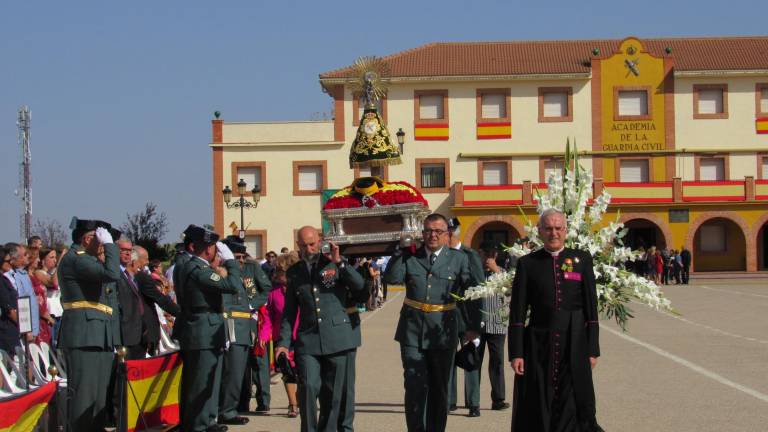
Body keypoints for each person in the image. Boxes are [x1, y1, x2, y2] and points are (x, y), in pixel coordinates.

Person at [383, 213, 480, 432]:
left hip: (443, 331)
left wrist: (473, 327)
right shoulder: (410, 257)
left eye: (438, 231)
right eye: (428, 231)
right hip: (412, 331)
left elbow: (473, 293)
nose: (432, 235)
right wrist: (399, 251)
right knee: (414, 385)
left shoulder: (460, 259)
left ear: (447, 234)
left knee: (439, 387)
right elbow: (392, 278)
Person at [509, 209, 602, 431]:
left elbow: (591, 307)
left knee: (574, 399)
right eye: (548, 228)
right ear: (540, 231)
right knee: (540, 398)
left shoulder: (582, 260)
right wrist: (516, 353)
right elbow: (518, 311)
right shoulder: (528, 264)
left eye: (558, 228)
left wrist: (592, 349)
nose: (554, 233)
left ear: (566, 230)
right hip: (539, 344)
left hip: (575, 341)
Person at [275, 226, 366, 432]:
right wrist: (282, 343)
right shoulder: (294, 272)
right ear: (297, 245)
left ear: (320, 241)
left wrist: (340, 263)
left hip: (338, 337)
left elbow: (360, 288)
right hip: (308, 340)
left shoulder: (334, 263)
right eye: (304, 245)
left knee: (334, 394)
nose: (309, 248)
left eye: (312, 243)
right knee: (307, 387)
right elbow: (289, 312)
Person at [58, 218, 122, 431]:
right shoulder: (78, 259)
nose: (104, 245)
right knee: (84, 396)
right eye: (101, 240)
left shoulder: (88, 259)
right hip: (84, 334)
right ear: (87, 239)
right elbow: (113, 274)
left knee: (98, 398)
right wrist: (111, 247)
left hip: (97, 333)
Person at [175, 226, 241, 432]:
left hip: (206, 328)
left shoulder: (194, 266)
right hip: (202, 329)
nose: (212, 250)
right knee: (201, 381)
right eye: (209, 246)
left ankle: (206, 420)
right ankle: (199, 424)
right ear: (195, 247)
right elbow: (232, 285)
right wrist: (231, 262)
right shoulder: (197, 269)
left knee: (208, 380)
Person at [218, 236, 270, 425]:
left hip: (246, 324)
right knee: (227, 371)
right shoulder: (221, 270)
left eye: (242, 257)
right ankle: (224, 409)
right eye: (237, 257)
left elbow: (265, 289)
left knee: (245, 369)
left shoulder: (251, 268)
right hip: (225, 324)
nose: (241, 261)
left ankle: (234, 407)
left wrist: (251, 305)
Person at [445, 218, 484, 418]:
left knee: (470, 358)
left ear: (456, 232)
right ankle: (450, 400)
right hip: (446, 317)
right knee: (448, 359)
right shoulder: (442, 255)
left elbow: (479, 289)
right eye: (446, 230)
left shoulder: (470, 255)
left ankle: (474, 403)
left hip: (467, 316)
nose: (448, 234)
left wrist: (476, 323)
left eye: (451, 230)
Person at [258, 251, 301, 417]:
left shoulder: (302, 289)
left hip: (303, 335)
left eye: (279, 272)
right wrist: (263, 334)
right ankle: (293, 404)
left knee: (305, 372)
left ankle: (300, 398)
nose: (276, 275)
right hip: (282, 339)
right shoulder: (273, 292)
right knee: (287, 371)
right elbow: (267, 317)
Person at [476, 241, 511, 412]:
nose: (487, 258)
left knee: (497, 363)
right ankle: (473, 400)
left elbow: (511, 291)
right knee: (474, 362)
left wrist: (496, 269)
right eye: (484, 254)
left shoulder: (503, 274)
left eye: (490, 255)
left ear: (496, 256)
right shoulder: (476, 274)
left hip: (497, 325)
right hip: (478, 325)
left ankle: (498, 399)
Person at [130, 246, 180, 357]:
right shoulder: (142, 277)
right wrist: (181, 313)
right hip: (145, 332)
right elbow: (161, 299)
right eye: (146, 259)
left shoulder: (133, 277)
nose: (148, 262)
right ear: (136, 259)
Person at [0, 246, 20, 360]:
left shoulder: (4, 279)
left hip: (12, 328)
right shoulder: (1, 281)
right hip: (6, 329)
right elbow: (8, 308)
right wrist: (24, 326)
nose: (11, 263)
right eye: (8, 261)